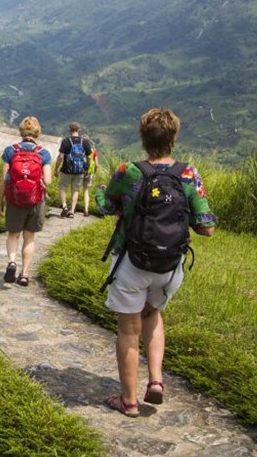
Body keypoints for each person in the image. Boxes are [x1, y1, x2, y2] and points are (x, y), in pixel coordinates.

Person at [95, 108, 217, 417]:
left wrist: (102, 195)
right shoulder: (188, 173)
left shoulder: (128, 171)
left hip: (130, 263)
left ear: (143, 137)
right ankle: (157, 381)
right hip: (168, 268)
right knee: (154, 316)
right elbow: (207, 227)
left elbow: (107, 206)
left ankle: (129, 401)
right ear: (173, 138)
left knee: (128, 330)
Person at [0, 116, 52, 287]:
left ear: (21, 132)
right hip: (35, 201)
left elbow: (4, 179)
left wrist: (0, 200)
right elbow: (48, 180)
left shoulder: (10, 151)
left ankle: (11, 262)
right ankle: (24, 275)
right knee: (29, 237)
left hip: (14, 200)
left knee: (13, 234)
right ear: (38, 133)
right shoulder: (44, 153)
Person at [55, 122, 94, 217]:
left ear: (70, 130)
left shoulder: (66, 141)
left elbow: (60, 156)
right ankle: (72, 211)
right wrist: (87, 167)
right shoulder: (84, 142)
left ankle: (64, 206)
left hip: (66, 170)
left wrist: (56, 169)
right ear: (78, 130)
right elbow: (89, 157)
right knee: (75, 190)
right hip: (80, 170)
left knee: (62, 187)